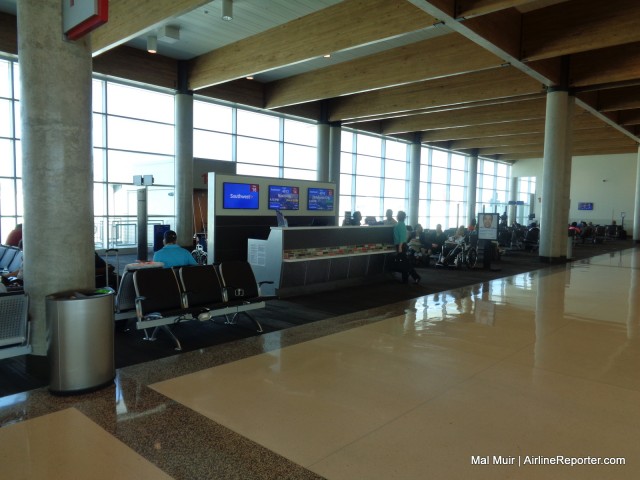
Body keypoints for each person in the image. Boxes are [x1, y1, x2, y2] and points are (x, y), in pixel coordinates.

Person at [393, 211, 420, 284]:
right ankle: (410, 278)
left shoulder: (400, 225)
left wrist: (400, 247)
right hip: (400, 245)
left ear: (399, 216)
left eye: (397, 215)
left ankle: (415, 277)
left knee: (405, 263)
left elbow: (402, 237)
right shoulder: (400, 224)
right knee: (405, 263)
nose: (396, 216)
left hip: (401, 245)